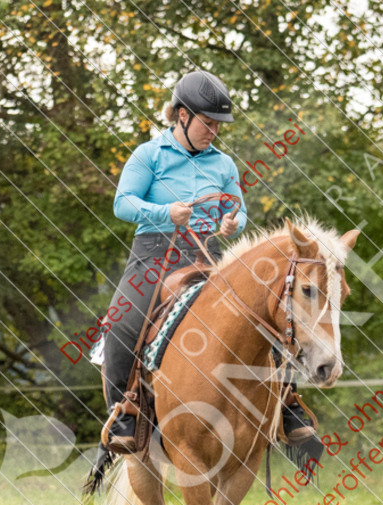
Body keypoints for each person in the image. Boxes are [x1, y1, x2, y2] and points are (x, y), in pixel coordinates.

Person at [101, 69, 318, 457]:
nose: (214, 131)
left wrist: (233, 223)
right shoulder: (149, 154)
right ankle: (124, 412)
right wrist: (167, 212)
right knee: (121, 322)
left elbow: (240, 211)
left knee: (271, 312)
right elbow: (123, 204)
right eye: (208, 122)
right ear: (181, 114)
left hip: (211, 255)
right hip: (155, 254)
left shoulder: (224, 165)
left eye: (219, 124)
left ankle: (288, 403)